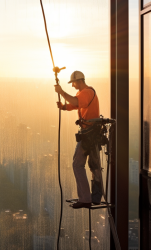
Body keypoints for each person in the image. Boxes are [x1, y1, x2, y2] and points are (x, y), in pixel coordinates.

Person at [54, 71, 102, 209]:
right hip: (90, 133)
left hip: (89, 134)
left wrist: (62, 92)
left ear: (79, 81)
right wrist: (64, 107)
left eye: (73, 83)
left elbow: (76, 102)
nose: (73, 86)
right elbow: (76, 105)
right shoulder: (84, 93)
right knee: (93, 166)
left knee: (78, 164)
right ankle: (92, 197)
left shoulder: (86, 92)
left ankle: (86, 198)